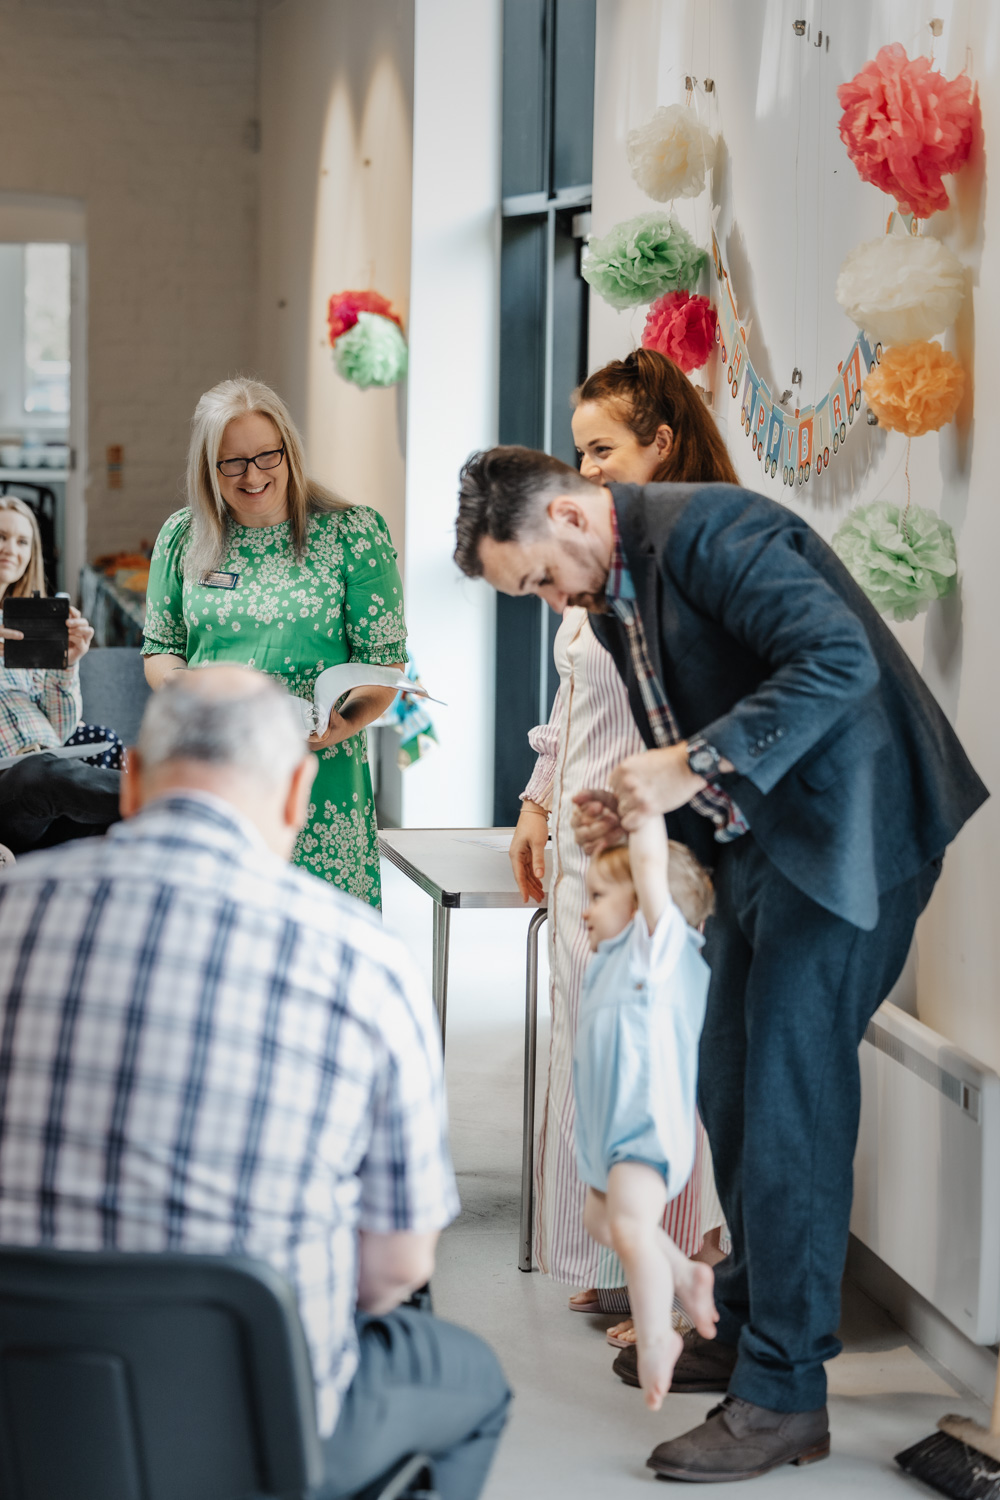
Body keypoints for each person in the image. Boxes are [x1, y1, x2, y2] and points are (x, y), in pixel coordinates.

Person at [453, 445, 988, 1481]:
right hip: (758, 840)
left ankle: (787, 1396)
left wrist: (687, 764)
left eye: (534, 577)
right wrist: (645, 799)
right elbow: (681, 721)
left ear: (567, 514)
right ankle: (744, 1329)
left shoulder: (713, 530)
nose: (543, 600)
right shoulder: (610, 590)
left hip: (852, 834)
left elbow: (838, 661)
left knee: (789, 1096)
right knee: (727, 1079)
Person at [0, 666, 510, 1500]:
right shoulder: (363, 961)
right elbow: (392, 1272)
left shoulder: (10, 910)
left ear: (128, 783)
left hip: (26, 1417)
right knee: (471, 1380)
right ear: (297, 791)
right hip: (257, 1422)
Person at [510, 351, 734, 1327]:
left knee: (655, 1049)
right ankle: (600, 1250)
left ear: (662, 442)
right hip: (576, 835)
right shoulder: (594, 561)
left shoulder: (691, 563)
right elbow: (570, 701)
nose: (586, 468)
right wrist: (534, 794)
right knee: (585, 1048)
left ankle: (681, 1246)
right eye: (580, 450)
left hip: (648, 842)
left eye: (603, 449)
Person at [142, 377, 407, 908]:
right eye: (232, 462)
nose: (253, 474)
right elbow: (160, 646)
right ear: (209, 468)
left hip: (319, 769)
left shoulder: (353, 534)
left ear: (289, 450)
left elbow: (385, 662)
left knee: (322, 936)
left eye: (266, 455)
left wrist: (344, 723)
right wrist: (182, 686)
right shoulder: (182, 536)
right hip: (211, 760)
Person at [575, 818, 718, 1412]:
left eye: (598, 897)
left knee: (630, 1229)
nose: (585, 910)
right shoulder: (613, 958)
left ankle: (659, 1334)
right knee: (602, 1224)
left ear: (642, 907)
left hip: (646, 1128)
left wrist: (642, 813)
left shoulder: (659, 951)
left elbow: (652, 865)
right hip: (610, 1131)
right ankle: (685, 1274)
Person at [0, 496, 121, 852]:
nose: (11, 549)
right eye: (1, 536)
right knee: (38, 775)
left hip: (47, 783)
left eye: (23, 541)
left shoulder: (30, 627)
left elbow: (61, 729)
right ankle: (184, 792)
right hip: (12, 787)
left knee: (69, 765)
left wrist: (68, 663)